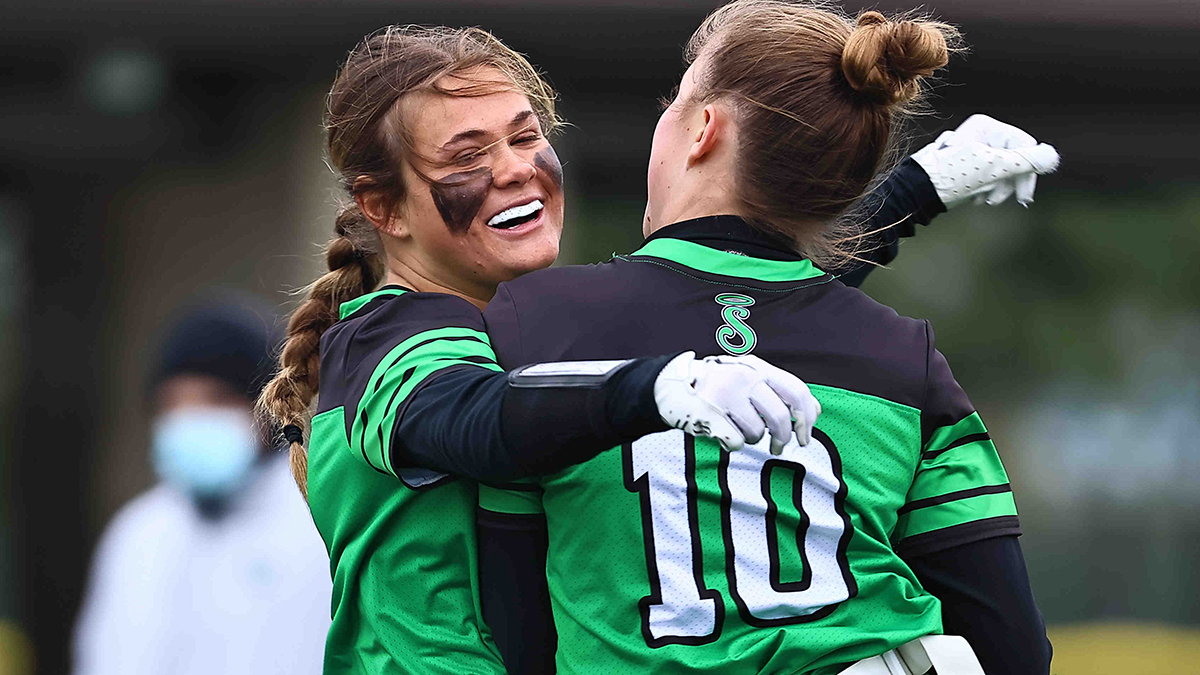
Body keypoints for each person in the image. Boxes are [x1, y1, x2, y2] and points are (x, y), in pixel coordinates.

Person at [255, 16, 1057, 675]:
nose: (515, 170)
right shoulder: (389, 333)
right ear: (384, 210)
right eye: (467, 156)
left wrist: (910, 193)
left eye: (527, 137)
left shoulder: (542, 330)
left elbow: (734, 311)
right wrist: (653, 387)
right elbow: (474, 416)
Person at [73, 300, 331, 675]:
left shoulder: (319, 524)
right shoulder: (139, 533)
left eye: (216, 399)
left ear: (266, 409)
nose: (190, 417)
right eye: (173, 403)